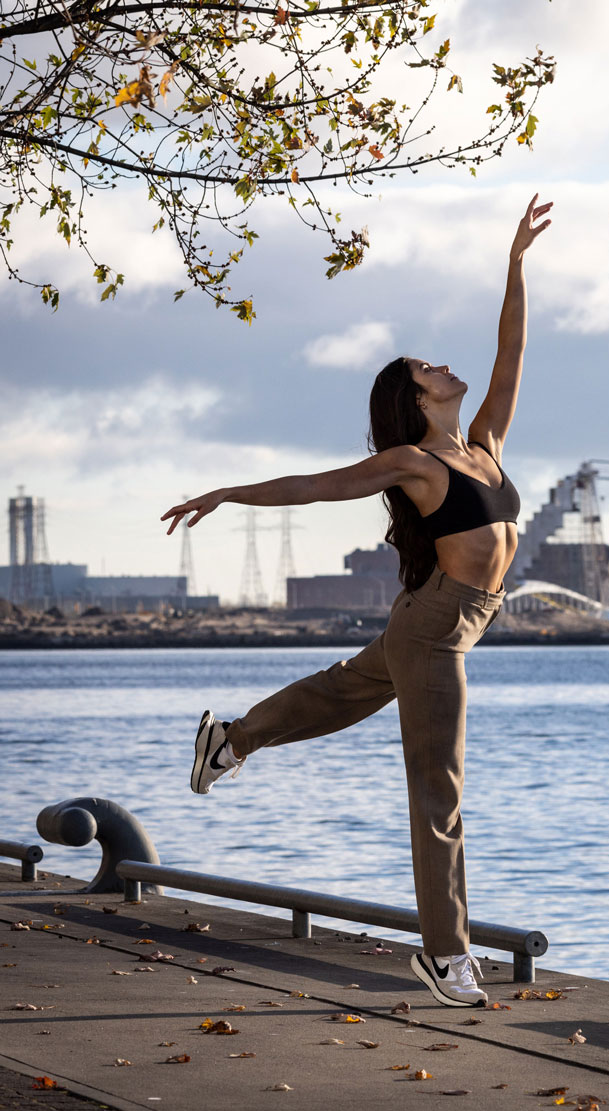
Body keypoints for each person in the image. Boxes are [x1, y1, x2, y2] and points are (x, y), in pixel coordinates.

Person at [161, 194, 553, 1008]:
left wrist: (513, 266)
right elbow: (319, 485)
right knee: (438, 788)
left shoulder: (482, 446)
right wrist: (231, 492)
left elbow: (510, 351)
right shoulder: (414, 461)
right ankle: (445, 957)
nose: (442, 366)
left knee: (339, 691)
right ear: (414, 398)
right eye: (426, 368)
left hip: (446, 622)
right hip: (436, 630)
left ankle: (229, 741)